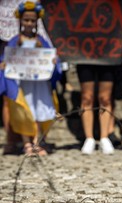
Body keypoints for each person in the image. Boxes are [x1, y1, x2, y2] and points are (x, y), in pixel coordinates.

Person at [0, 1, 62, 156]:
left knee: (39, 109)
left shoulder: (41, 41)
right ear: (20, 21)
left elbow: (50, 57)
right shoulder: (15, 41)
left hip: (39, 83)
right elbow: (8, 58)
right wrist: (4, 64)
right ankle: (26, 142)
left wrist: (53, 62)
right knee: (24, 110)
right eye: (26, 20)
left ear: (37, 22)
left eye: (32, 20)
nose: (29, 23)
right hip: (23, 84)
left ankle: (37, 142)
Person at [76, 64, 115, 155]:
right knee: (87, 98)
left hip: (107, 58)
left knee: (105, 98)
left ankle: (104, 138)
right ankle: (89, 138)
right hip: (85, 58)